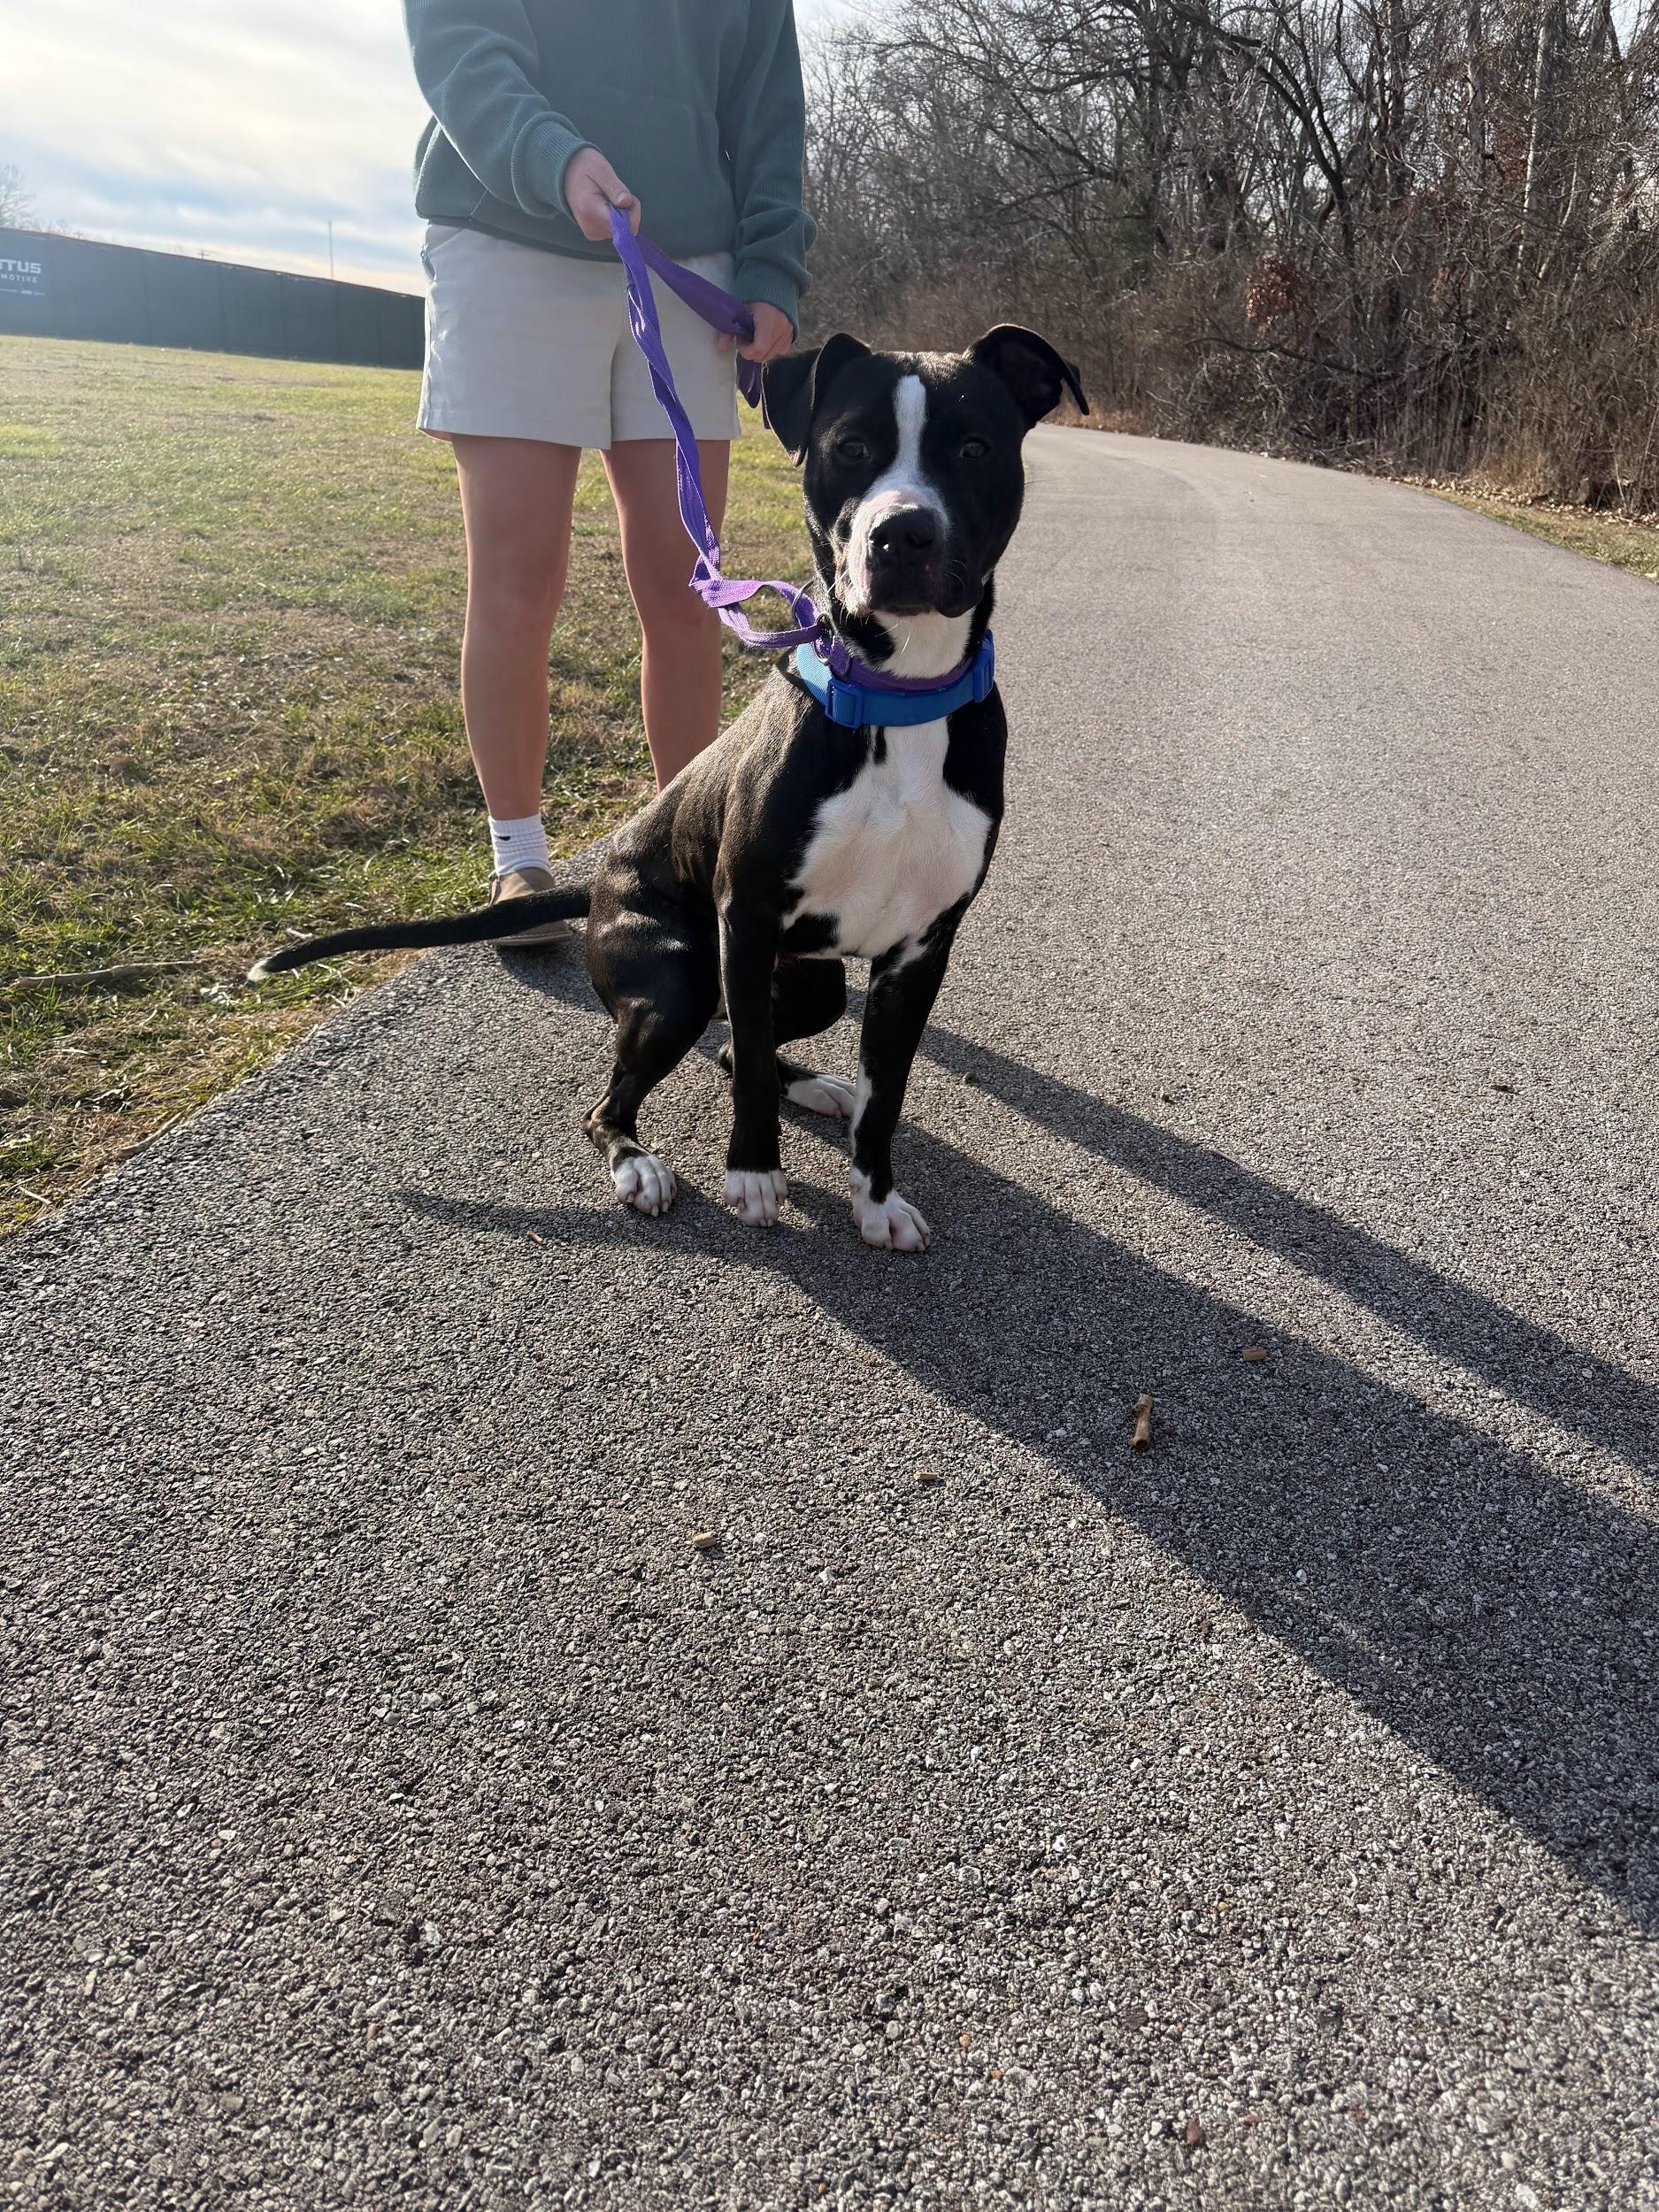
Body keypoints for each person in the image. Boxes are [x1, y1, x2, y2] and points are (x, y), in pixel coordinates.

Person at [401, 2, 814, 939]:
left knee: (684, 590)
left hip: (686, 263)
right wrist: (551, 154)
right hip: (507, 231)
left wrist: (772, 265)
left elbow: (766, 105)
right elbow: (458, 37)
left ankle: (689, 858)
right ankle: (518, 860)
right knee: (518, 576)